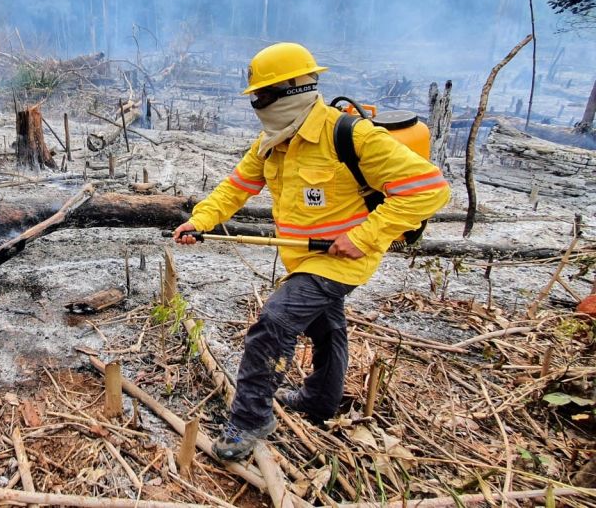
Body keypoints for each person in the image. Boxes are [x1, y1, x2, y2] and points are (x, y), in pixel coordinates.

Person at [172, 42, 450, 460]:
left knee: (274, 321)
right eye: (255, 97)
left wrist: (364, 237)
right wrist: (201, 220)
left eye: (263, 95)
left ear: (293, 90)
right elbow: (237, 187)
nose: (258, 104)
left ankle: (250, 419)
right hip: (303, 257)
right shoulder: (272, 141)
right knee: (326, 327)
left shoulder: (351, 135)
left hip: (344, 260)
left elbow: (431, 188)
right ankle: (320, 401)